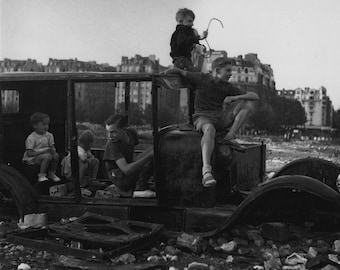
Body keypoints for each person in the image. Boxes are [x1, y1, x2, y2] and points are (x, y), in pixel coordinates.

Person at [165, 57, 259, 188]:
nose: (230, 74)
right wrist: (170, 71)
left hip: (219, 117)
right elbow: (182, 72)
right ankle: (206, 172)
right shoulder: (202, 78)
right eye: (227, 70)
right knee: (209, 129)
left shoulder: (227, 87)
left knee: (248, 104)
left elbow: (255, 96)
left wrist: (235, 97)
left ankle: (230, 136)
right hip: (202, 117)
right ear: (216, 70)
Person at [103, 114, 155, 198]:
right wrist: (150, 156)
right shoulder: (112, 145)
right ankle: (139, 189)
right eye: (108, 132)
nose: (110, 136)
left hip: (129, 171)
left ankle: (145, 184)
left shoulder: (130, 133)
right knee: (150, 155)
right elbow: (126, 169)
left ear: (123, 129)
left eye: (113, 132)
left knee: (156, 148)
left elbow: (142, 135)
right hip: (120, 178)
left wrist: (160, 136)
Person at [22, 112, 61, 183]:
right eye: (43, 124)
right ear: (35, 125)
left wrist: (53, 150)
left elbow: (52, 146)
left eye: (47, 124)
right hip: (33, 158)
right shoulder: (31, 138)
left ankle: (51, 173)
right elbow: (29, 153)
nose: (46, 126)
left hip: (46, 154)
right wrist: (43, 152)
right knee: (47, 157)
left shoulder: (49, 135)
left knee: (56, 156)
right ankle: (41, 175)